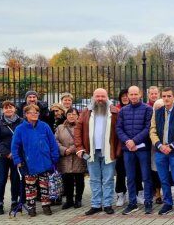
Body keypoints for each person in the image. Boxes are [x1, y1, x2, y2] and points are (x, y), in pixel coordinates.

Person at [74, 88, 121, 216]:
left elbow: (120, 132)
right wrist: (79, 148)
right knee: (94, 179)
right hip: (91, 152)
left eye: (103, 96)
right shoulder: (85, 112)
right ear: (93, 98)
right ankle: (96, 205)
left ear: (107, 97)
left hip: (109, 151)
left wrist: (118, 151)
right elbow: (78, 131)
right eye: (97, 96)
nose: (100, 99)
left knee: (108, 179)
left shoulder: (115, 112)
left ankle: (107, 204)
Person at [11, 104, 60, 217]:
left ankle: (46, 206)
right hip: (28, 163)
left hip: (45, 161)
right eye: (32, 112)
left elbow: (52, 143)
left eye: (36, 112)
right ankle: (31, 207)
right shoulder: (20, 129)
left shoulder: (44, 126)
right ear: (26, 114)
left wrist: (54, 157)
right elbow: (14, 147)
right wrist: (17, 160)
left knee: (45, 185)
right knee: (30, 187)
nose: (35, 114)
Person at [150, 87, 174, 215]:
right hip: (160, 151)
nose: (166, 98)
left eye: (169, 96)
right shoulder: (157, 112)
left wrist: (171, 146)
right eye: (164, 96)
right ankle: (167, 203)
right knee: (163, 179)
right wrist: (160, 145)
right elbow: (153, 130)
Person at [116, 86, 154, 215]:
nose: (133, 96)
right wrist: (127, 141)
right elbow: (119, 128)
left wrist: (134, 141)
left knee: (146, 176)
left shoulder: (148, 109)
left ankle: (148, 201)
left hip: (143, 149)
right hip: (128, 149)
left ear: (140, 94)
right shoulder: (123, 111)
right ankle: (132, 203)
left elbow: (148, 127)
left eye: (135, 94)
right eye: (131, 94)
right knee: (130, 177)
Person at [0, 101, 23, 215]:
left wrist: (15, 153)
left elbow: (23, 138)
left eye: (10, 107)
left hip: (17, 156)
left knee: (15, 179)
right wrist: (7, 153)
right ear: (3, 110)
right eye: (6, 108)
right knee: (2, 179)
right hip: (2, 156)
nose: (8, 110)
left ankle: (14, 201)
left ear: (15, 109)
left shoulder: (21, 121)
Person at [55, 108, 86, 210]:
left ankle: (78, 199)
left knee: (79, 180)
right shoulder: (60, 128)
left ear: (78, 116)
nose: (71, 116)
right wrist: (64, 150)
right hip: (65, 157)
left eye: (74, 114)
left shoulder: (82, 126)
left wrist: (72, 149)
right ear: (66, 116)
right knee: (67, 180)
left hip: (78, 156)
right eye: (69, 114)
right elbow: (55, 141)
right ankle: (69, 200)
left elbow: (84, 140)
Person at [114, 89, 129, 207]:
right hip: (120, 145)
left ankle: (138, 192)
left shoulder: (137, 107)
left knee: (136, 171)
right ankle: (120, 193)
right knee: (120, 171)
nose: (125, 98)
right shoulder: (115, 110)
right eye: (122, 96)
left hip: (135, 144)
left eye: (127, 95)